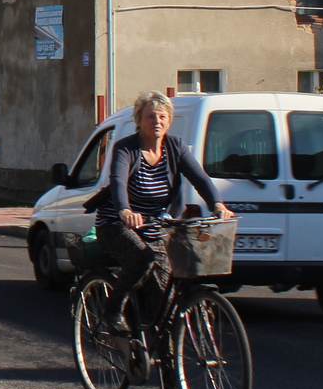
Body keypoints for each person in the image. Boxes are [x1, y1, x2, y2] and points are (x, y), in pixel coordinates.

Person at [87, 91, 233, 334]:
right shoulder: (126, 148)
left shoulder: (175, 147)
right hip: (117, 224)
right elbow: (118, 180)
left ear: (169, 120)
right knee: (142, 258)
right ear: (139, 120)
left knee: (165, 304)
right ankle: (113, 309)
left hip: (156, 227)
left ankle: (167, 365)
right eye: (150, 116)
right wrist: (124, 209)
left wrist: (217, 204)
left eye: (162, 116)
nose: (157, 122)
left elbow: (200, 178)